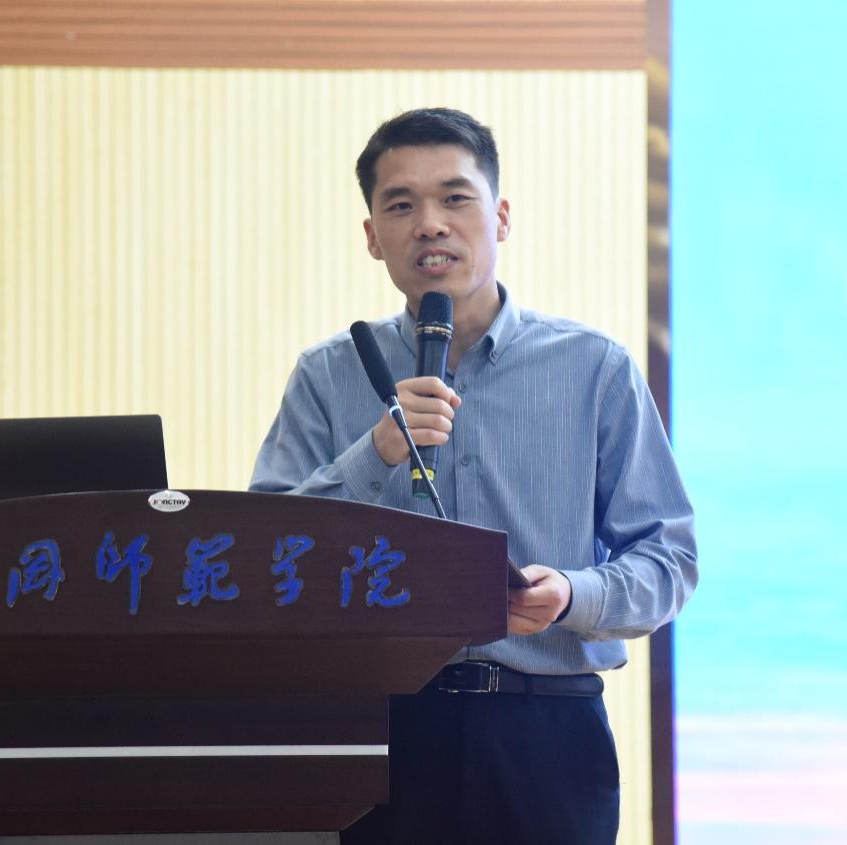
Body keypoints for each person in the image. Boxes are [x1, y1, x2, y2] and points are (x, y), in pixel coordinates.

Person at [251, 108, 697, 845]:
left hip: (545, 730)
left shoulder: (594, 369)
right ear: (372, 236)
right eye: (401, 205)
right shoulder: (328, 375)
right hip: (377, 732)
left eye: (455, 198)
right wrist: (377, 450)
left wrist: (571, 594)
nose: (430, 224)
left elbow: (669, 560)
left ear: (501, 217)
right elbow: (269, 560)